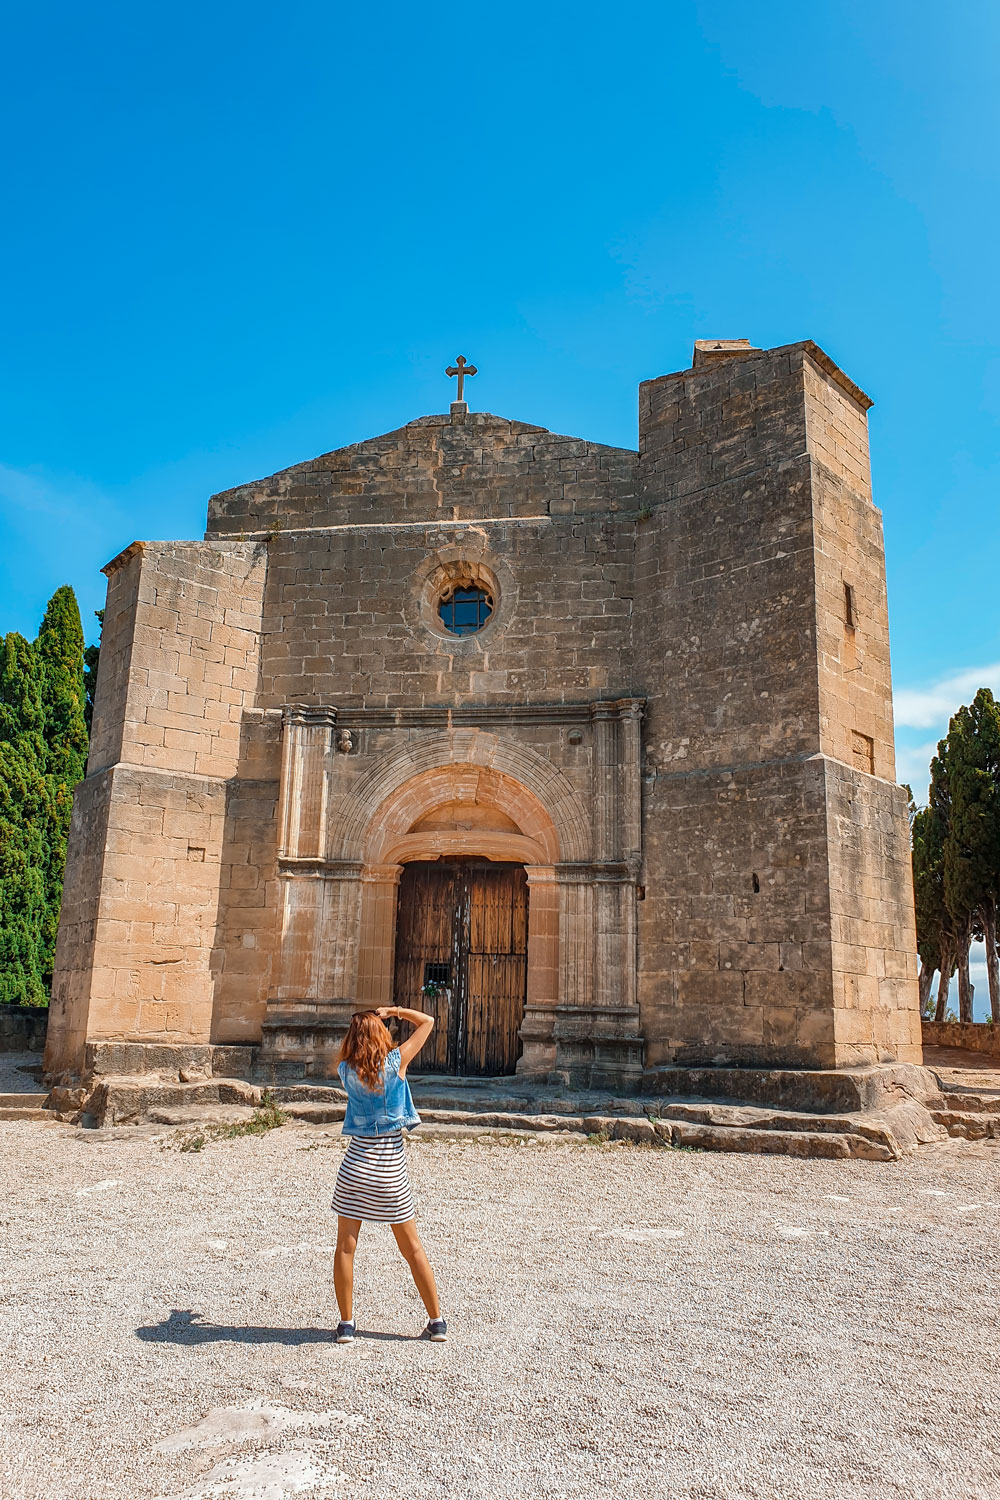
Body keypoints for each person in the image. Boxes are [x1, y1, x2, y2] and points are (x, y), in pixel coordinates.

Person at [331, 1004, 446, 1345]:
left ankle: (347, 1325)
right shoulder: (396, 1064)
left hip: (354, 1167)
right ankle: (436, 1322)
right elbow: (428, 1021)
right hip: (389, 1170)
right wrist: (394, 1011)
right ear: (382, 1035)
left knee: (346, 1249)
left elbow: (353, 1055)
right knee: (412, 1249)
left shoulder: (344, 1070)